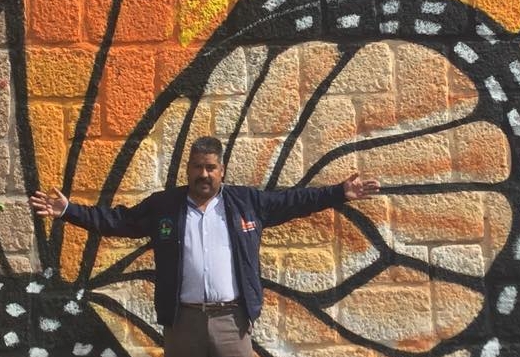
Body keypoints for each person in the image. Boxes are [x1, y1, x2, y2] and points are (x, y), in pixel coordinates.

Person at [29, 135, 380, 357]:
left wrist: (338, 193)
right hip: (183, 323)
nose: (204, 174)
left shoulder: (246, 203)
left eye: (211, 167)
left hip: (232, 321)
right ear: (188, 169)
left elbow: (293, 201)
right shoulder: (164, 206)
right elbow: (118, 221)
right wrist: (68, 211)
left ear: (221, 170)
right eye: (198, 167)